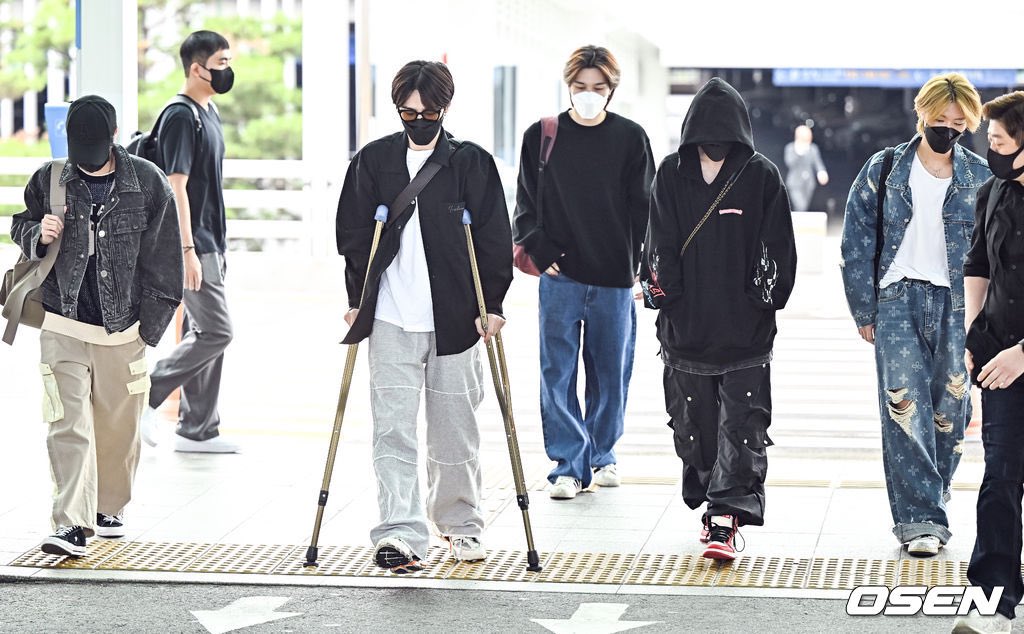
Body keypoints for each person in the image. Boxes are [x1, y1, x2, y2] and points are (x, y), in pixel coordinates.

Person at [336, 60, 513, 573]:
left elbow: (494, 238)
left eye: (428, 111)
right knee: (392, 432)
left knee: (454, 432)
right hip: (389, 317)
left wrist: (493, 305)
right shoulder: (373, 161)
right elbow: (353, 237)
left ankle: (461, 525)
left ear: (445, 108)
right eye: (407, 112)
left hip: (455, 319)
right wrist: (356, 298)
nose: (417, 120)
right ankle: (399, 532)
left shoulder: (470, 163)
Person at [10, 95, 182, 556]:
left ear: (115, 135)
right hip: (61, 323)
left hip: (123, 330)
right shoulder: (49, 179)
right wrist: (36, 233)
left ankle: (109, 506)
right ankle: (70, 523)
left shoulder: (146, 182)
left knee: (117, 427)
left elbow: (166, 260)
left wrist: (148, 329)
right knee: (66, 424)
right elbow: (19, 225)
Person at [642, 77, 796, 560]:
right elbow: (657, 246)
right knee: (694, 429)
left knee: (743, 425)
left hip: (744, 333)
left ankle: (724, 518)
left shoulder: (761, 176)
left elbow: (778, 249)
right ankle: (712, 498)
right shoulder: (670, 174)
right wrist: (666, 297)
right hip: (685, 332)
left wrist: (762, 301)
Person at [840, 73, 989, 558]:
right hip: (897, 299)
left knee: (952, 411)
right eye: (939, 119)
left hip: (957, 304)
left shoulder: (981, 177)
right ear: (921, 114)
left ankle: (931, 492)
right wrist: (864, 308)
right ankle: (920, 519)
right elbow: (856, 240)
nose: (948, 129)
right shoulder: (884, 169)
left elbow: (994, 254)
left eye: (958, 122)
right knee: (904, 409)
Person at [512, 45, 654, 500]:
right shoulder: (543, 135)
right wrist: (541, 247)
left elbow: (645, 209)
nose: (588, 95)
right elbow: (524, 205)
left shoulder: (631, 138)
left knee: (611, 372)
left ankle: (602, 455)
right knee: (556, 372)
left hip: (614, 276)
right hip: (561, 277)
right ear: (568, 86)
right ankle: (568, 466)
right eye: (579, 88)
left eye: (597, 88)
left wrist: (640, 266)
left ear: (611, 90)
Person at [140, 30, 238, 453]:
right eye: (220, 63)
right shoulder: (181, 115)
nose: (227, 70)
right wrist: (186, 250)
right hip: (192, 243)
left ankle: (198, 430)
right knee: (218, 331)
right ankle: (146, 393)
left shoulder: (208, 111)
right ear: (197, 68)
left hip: (212, 241)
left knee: (203, 331)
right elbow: (176, 187)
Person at [953, 90, 1024, 634]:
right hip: (999, 355)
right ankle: (994, 603)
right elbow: (977, 261)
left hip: (1018, 355)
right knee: (1000, 476)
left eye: (998, 140)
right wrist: (974, 330)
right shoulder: (992, 193)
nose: (989, 148)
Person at [783, 124, 829, 211]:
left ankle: (798, 223)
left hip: (809, 182)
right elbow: (789, 163)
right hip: (795, 183)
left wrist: (822, 172)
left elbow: (818, 163)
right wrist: (799, 153)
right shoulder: (790, 148)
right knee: (800, 205)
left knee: (804, 207)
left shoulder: (813, 148)